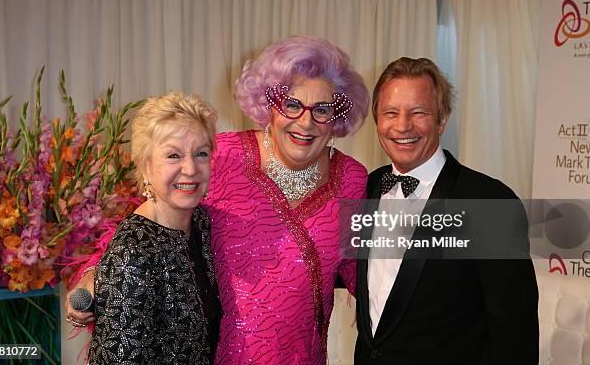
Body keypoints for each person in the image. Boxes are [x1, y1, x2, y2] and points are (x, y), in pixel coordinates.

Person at [66, 36, 370, 364]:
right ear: (269, 104)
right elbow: (154, 215)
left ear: (337, 115)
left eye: (322, 109)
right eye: (292, 104)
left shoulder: (352, 179)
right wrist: (96, 272)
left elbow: (367, 274)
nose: (306, 122)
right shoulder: (221, 157)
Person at [354, 57, 539, 364]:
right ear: (377, 120)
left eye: (418, 112)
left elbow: (515, 334)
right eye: (390, 113)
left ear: (442, 119)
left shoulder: (490, 202)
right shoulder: (368, 188)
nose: (402, 126)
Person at [78, 93, 222, 364]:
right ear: (146, 166)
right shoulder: (134, 252)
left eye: (201, 153)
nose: (190, 169)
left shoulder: (202, 222)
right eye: (173, 155)